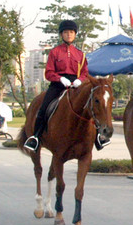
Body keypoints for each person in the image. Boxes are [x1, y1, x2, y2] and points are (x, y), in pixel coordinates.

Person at [24, 20, 90, 152]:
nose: (69, 35)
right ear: (61, 35)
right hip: (58, 84)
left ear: (75, 34)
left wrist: (80, 80)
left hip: (75, 85)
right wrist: (60, 78)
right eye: (66, 32)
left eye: (71, 32)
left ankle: (99, 137)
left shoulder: (80, 54)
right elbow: (48, 72)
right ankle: (35, 137)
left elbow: (85, 72)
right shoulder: (54, 52)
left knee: (92, 106)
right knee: (43, 108)